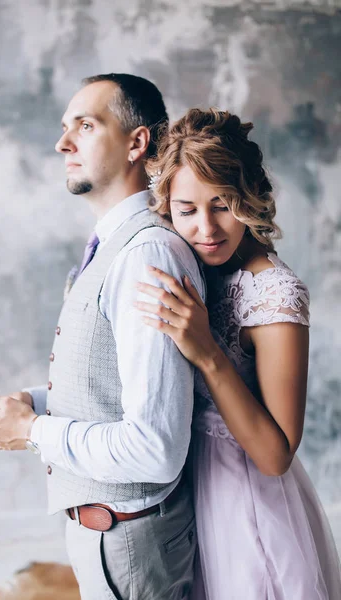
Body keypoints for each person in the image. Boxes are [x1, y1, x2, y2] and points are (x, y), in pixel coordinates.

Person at [0, 74, 206, 600]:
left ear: (136, 142)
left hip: (129, 542)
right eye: (64, 127)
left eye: (85, 125)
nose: (62, 144)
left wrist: (33, 430)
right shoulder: (114, 245)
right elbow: (115, 387)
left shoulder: (146, 254)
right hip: (108, 537)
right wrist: (31, 403)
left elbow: (154, 449)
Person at [135, 108, 341, 600]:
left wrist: (208, 353)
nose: (207, 228)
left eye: (222, 204)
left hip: (247, 508)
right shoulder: (186, 267)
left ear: (248, 198)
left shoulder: (275, 294)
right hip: (182, 502)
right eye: (187, 210)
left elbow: (275, 456)